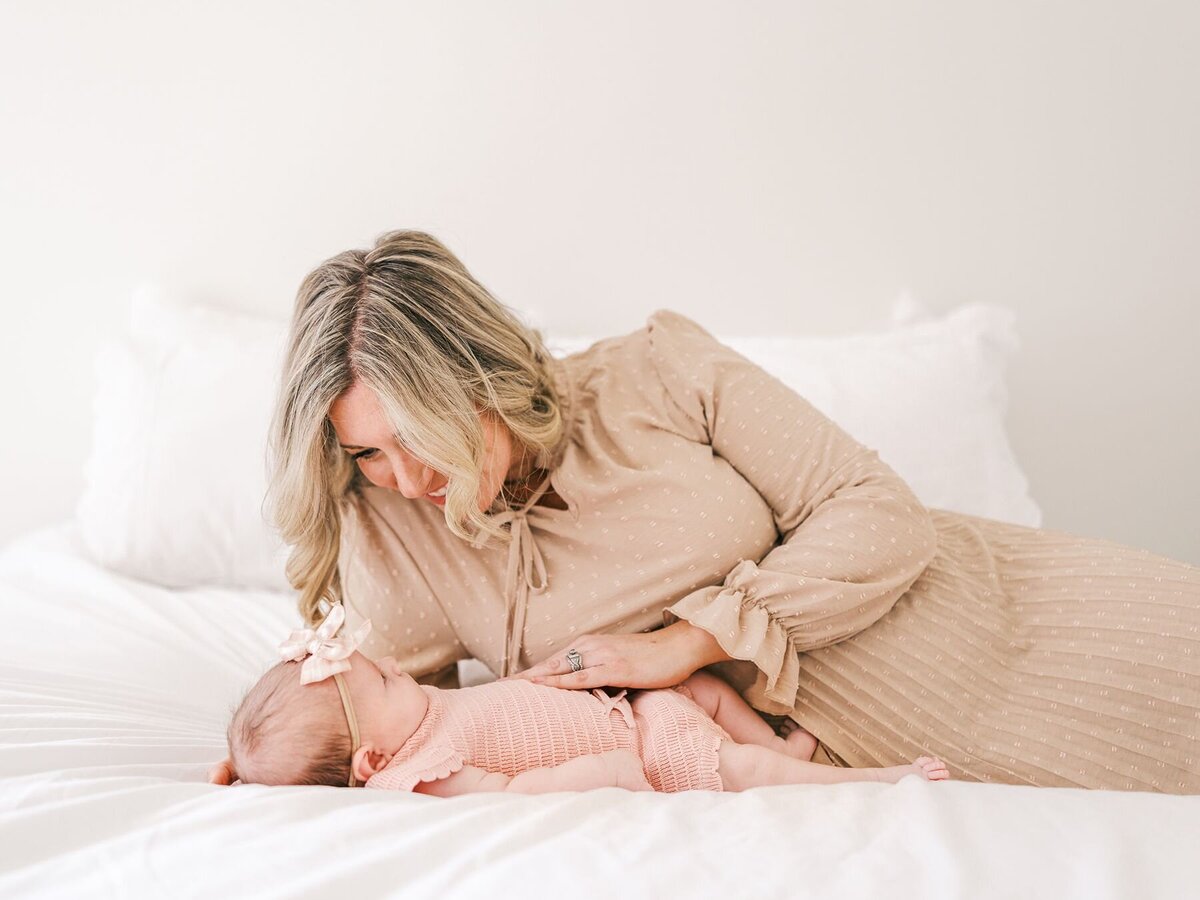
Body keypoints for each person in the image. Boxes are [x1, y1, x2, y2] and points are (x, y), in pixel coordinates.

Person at [213, 229, 1199, 793]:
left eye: (418, 436)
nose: (402, 476)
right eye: (364, 451)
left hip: (988, 606)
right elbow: (370, 725)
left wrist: (685, 644)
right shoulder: (391, 531)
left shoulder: (655, 370)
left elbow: (876, 510)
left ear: (481, 382)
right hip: (877, 738)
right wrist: (263, 766)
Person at [212, 605, 950, 793]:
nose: (395, 668)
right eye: (379, 680)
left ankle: (780, 743)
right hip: (636, 750)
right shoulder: (426, 772)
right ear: (373, 759)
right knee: (737, 772)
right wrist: (603, 773)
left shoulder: (422, 716)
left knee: (699, 688)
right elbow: (512, 788)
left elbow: (501, 700)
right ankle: (877, 783)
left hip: (630, 708)